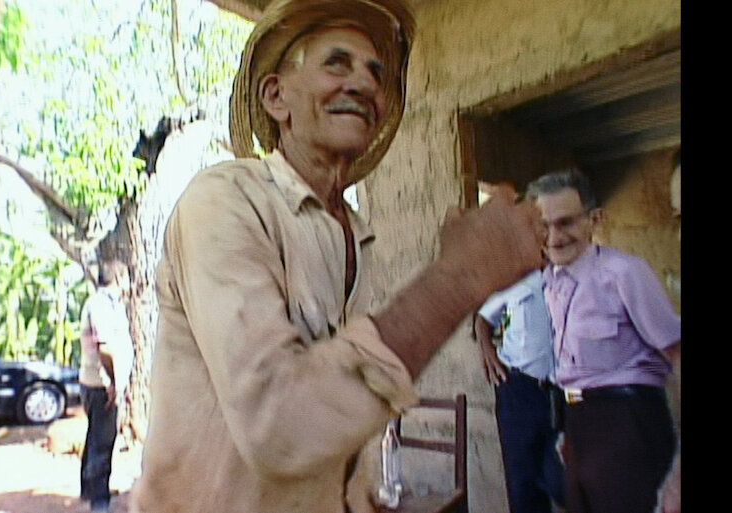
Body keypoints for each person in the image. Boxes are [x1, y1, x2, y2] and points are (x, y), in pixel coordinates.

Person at [129, 1, 543, 512]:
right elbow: (279, 426)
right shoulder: (223, 200)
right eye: (337, 63)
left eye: (376, 72)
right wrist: (460, 276)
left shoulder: (355, 235)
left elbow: (334, 415)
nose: (365, 84)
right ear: (276, 96)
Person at [525, 169, 681, 513]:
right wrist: (570, 429)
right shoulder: (550, 282)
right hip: (578, 422)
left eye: (566, 223)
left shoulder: (624, 273)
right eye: (543, 225)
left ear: (594, 220)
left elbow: (677, 354)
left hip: (627, 423)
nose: (554, 237)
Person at [474, 263, 566, 513]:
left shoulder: (576, 280)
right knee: (523, 485)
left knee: (563, 479)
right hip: (519, 390)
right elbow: (483, 319)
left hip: (564, 393)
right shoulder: (514, 279)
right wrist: (487, 350)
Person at [79, 260, 134, 513]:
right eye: (127, 278)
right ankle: (99, 503)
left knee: (95, 436)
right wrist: (113, 382)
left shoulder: (110, 304)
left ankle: (89, 490)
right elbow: (104, 348)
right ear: (119, 278)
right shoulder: (101, 304)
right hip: (101, 384)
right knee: (103, 442)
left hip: (98, 382)